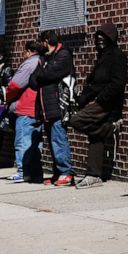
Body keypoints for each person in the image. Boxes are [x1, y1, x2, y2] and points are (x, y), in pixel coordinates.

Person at [69, 23, 128, 189]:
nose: (101, 41)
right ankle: (94, 175)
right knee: (96, 137)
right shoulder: (102, 57)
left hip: (105, 103)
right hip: (97, 101)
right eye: (98, 38)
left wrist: (101, 100)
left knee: (74, 120)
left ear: (111, 39)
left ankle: (109, 127)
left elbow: (117, 84)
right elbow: (93, 83)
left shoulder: (117, 56)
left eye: (104, 38)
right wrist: (82, 98)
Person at [29, 31, 75, 187]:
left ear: (47, 41)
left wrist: (42, 74)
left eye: (41, 42)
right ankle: (57, 173)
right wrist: (42, 74)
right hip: (45, 107)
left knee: (59, 139)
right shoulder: (45, 58)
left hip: (58, 105)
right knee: (52, 141)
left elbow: (49, 74)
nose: (40, 45)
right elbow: (33, 81)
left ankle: (66, 173)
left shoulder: (64, 55)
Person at [5, 41, 44, 183]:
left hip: (25, 107)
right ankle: (35, 172)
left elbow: (15, 85)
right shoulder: (43, 62)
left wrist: (7, 98)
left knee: (22, 142)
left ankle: (23, 172)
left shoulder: (29, 64)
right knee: (35, 142)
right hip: (38, 108)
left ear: (28, 51)